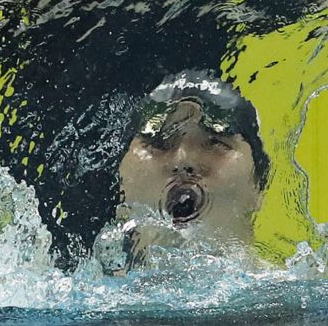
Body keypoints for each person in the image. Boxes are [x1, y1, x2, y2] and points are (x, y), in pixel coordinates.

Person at [93, 70, 271, 274]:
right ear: (121, 180)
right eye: (159, 142)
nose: (183, 160)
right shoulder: (64, 295)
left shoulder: (298, 301)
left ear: (259, 185)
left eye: (215, 142)